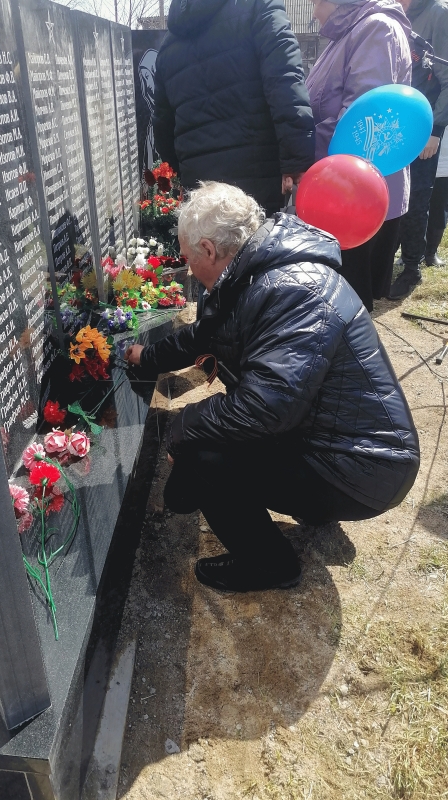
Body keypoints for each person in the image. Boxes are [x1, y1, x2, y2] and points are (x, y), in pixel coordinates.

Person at [125, 183, 420, 593]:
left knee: (203, 454)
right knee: (196, 463)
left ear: (208, 250)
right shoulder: (252, 274)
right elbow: (205, 334)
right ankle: (313, 508)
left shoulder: (294, 289)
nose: (189, 270)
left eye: (189, 259)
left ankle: (269, 566)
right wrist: (147, 357)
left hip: (363, 468)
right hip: (333, 441)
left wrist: (183, 429)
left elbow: (264, 408)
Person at [152, 0, 315, 218]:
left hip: (202, 188)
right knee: (259, 238)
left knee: (211, 239)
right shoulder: (259, 7)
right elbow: (285, 83)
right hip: (259, 178)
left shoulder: (168, 44)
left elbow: (163, 127)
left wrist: (186, 173)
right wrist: (297, 161)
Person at [305, 0, 412, 311]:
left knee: (348, 306)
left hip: (357, 196)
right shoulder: (348, 33)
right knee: (337, 303)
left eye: (315, 1)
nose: (313, 11)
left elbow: (363, 125)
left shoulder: (376, 29)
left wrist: (299, 148)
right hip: (339, 188)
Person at [390, 0, 448, 298]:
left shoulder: (437, 14)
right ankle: (390, 258)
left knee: (416, 197)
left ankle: (412, 268)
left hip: (423, 126)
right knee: (392, 194)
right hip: (394, 122)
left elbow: (446, 77)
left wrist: (435, 130)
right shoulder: (392, 13)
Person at [424, 135, 448, 265]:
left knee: (439, 208)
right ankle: (409, 252)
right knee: (411, 210)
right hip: (415, 161)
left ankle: (431, 252)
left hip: (443, 163)